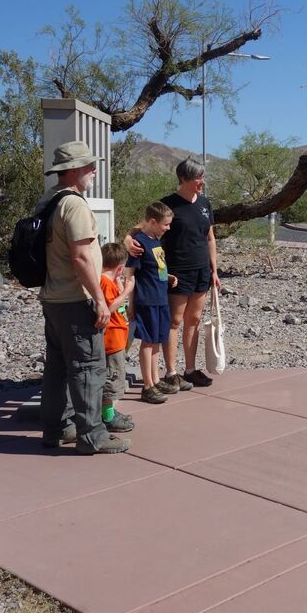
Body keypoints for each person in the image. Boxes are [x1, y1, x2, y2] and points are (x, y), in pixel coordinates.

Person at [38, 140, 130, 454]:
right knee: (89, 368)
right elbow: (80, 258)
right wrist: (100, 300)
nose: (94, 171)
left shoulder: (49, 200)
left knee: (58, 368)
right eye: (90, 166)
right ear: (76, 170)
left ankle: (57, 428)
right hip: (75, 301)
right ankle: (92, 436)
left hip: (52, 298)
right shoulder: (74, 205)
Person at [126, 157, 221, 390]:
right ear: (184, 179)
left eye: (202, 176)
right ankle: (171, 372)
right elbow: (139, 228)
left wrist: (214, 270)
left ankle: (190, 370)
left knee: (194, 320)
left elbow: (210, 238)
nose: (202, 181)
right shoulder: (168, 205)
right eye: (198, 177)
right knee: (174, 321)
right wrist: (128, 240)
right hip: (177, 270)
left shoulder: (205, 203)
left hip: (201, 270)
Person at [126, 202, 179, 404]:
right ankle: (147, 385)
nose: (167, 228)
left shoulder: (155, 240)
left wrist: (168, 276)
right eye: (165, 224)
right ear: (153, 222)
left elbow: (155, 268)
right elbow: (130, 274)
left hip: (160, 298)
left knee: (157, 340)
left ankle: (155, 379)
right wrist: (131, 303)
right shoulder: (138, 243)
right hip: (147, 300)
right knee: (148, 342)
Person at [99, 242, 135, 431]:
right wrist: (128, 292)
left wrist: (120, 282)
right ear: (120, 267)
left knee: (116, 377)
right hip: (111, 342)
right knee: (111, 381)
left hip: (118, 339)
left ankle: (109, 412)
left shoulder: (110, 280)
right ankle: (107, 416)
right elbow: (109, 307)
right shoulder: (104, 282)